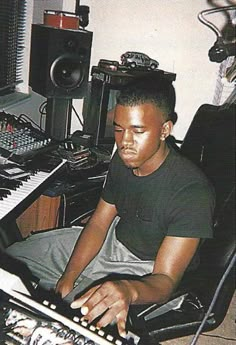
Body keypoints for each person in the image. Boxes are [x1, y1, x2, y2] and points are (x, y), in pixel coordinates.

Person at [5, 75, 215, 338]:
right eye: (119, 128)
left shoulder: (192, 192)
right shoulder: (123, 157)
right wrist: (68, 278)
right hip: (113, 241)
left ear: (164, 130)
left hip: (146, 269)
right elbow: (99, 222)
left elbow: (166, 280)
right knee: (13, 259)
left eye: (138, 131)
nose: (124, 142)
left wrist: (128, 290)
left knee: (73, 317)